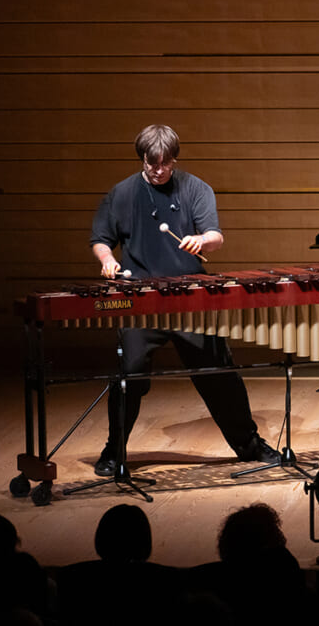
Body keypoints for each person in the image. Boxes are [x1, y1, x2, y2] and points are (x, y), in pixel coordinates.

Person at [89, 124, 278, 476]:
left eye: (166, 164)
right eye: (152, 164)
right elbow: (101, 238)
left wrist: (201, 241)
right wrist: (107, 260)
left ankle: (250, 446)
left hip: (191, 298)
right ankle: (114, 452)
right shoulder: (122, 194)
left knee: (219, 373)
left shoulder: (196, 188)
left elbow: (216, 236)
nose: (159, 170)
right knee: (129, 376)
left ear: (174, 159)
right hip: (141, 300)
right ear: (142, 158)